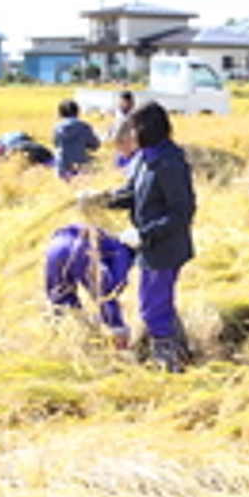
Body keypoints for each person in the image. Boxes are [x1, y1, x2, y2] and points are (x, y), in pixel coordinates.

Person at [92, 101, 196, 372]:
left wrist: (144, 233)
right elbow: (131, 193)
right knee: (159, 303)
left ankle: (169, 364)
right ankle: (182, 352)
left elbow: (182, 211)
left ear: (147, 129)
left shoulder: (170, 162)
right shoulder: (142, 158)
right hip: (150, 247)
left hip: (165, 247)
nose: (130, 134)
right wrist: (102, 200)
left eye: (134, 128)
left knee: (152, 309)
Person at [44, 224, 135, 349]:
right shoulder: (123, 251)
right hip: (80, 248)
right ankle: (114, 343)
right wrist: (117, 326)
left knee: (60, 299)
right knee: (104, 295)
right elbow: (109, 292)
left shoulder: (108, 238)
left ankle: (58, 345)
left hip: (55, 245)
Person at [53, 99, 100, 180]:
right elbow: (95, 145)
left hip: (62, 167)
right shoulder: (85, 127)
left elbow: (56, 144)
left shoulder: (57, 128)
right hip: (81, 167)